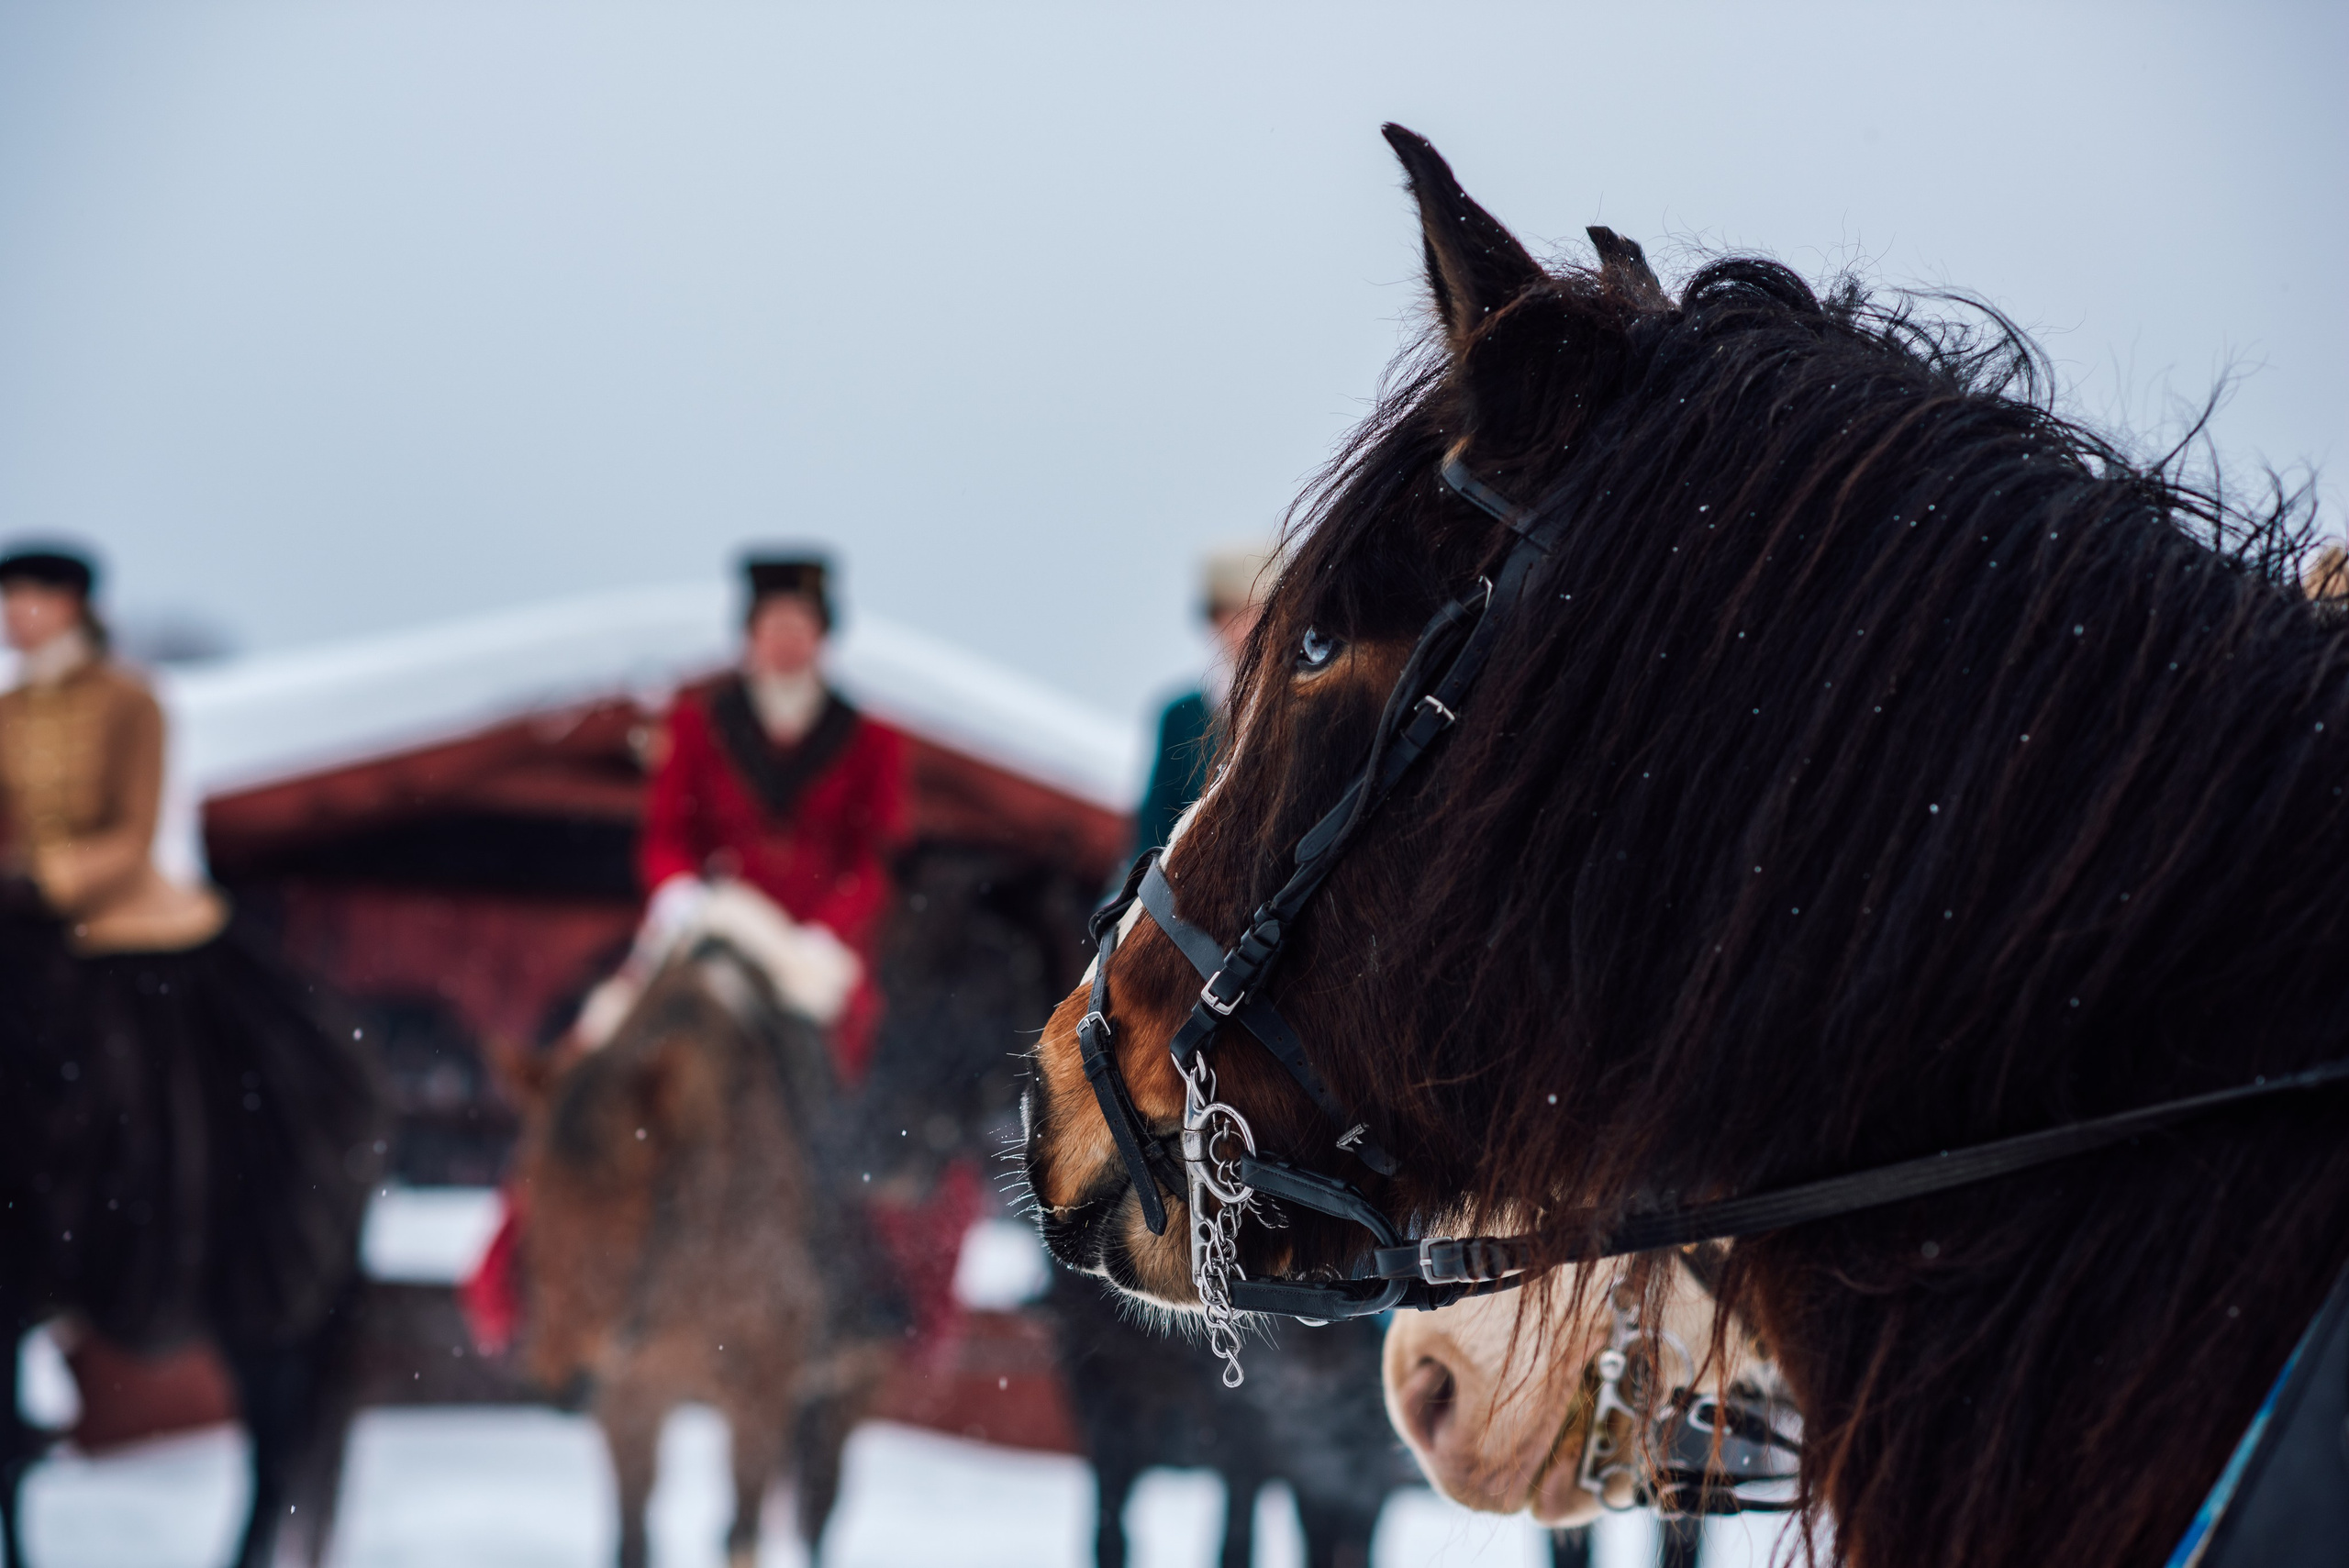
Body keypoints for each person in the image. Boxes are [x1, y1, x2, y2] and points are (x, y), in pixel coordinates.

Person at [0, 539, 379, 1406]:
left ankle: (147, 1212)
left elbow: (132, 837)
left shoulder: (132, 700)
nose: (16, 615)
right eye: (9, 600)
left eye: (31, 598)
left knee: (137, 1064)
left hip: (123, 916)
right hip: (19, 919)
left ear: (73, 606)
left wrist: (46, 879)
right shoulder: (9, 708)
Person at [1132, 543, 1273, 859]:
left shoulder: (1296, 710)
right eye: (1232, 614)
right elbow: (1153, 832)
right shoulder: (1180, 716)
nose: (1245, 628)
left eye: (1257, 612)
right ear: (1215, 621)